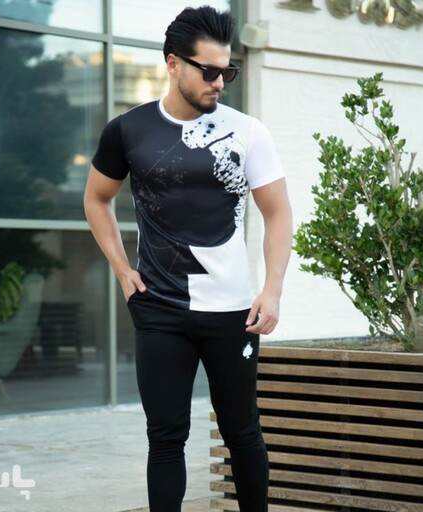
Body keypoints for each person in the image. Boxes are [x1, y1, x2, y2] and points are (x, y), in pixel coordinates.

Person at [83, 5, 293, 512]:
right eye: (209, 71)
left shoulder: (247, 131)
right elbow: (96, 198)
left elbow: (278, 212)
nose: (219, 82)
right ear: (173, 63)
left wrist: (272, 291)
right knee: (165, 437)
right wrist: (122, 270)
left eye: (227, 71)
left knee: (243, 432)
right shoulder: (128, 130)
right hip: (160, 309)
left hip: (233, 312)